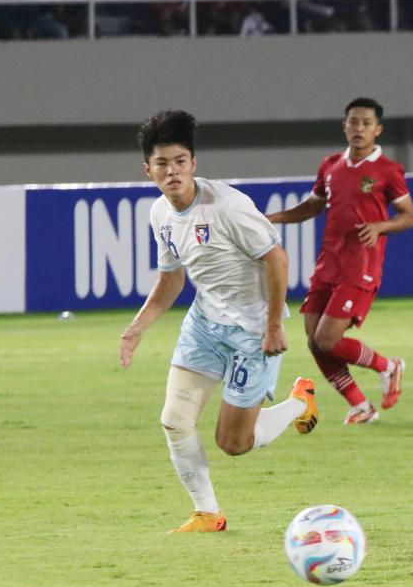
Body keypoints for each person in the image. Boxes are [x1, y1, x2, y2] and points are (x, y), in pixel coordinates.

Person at [120, 110, 319, 533]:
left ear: (193, 163)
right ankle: (208, 513)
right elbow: (172, 278)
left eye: (179, 161)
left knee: (234, 444)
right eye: (162, 164)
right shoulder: (160, 214)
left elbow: (277, 257)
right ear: (148, 169)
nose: (171, 171)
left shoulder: (228, 207)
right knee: (174, 420)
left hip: (253, 332)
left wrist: (273, 326)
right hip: (205, 323)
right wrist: (138, 326)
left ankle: (301, 402)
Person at [267, 97, 413, 425]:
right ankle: (361, 406)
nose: (358, 128)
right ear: (344, 125)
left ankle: (388, 367)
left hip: (360, 266)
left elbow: (409, 216)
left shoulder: (388, 171)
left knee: (327, 339)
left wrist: (380, 226)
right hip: (328, 262)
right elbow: (311, 207)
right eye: (353, 122)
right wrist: (271, 218)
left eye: (366, 123)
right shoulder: (330, 166)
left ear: (378, 130)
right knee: (314, 340)